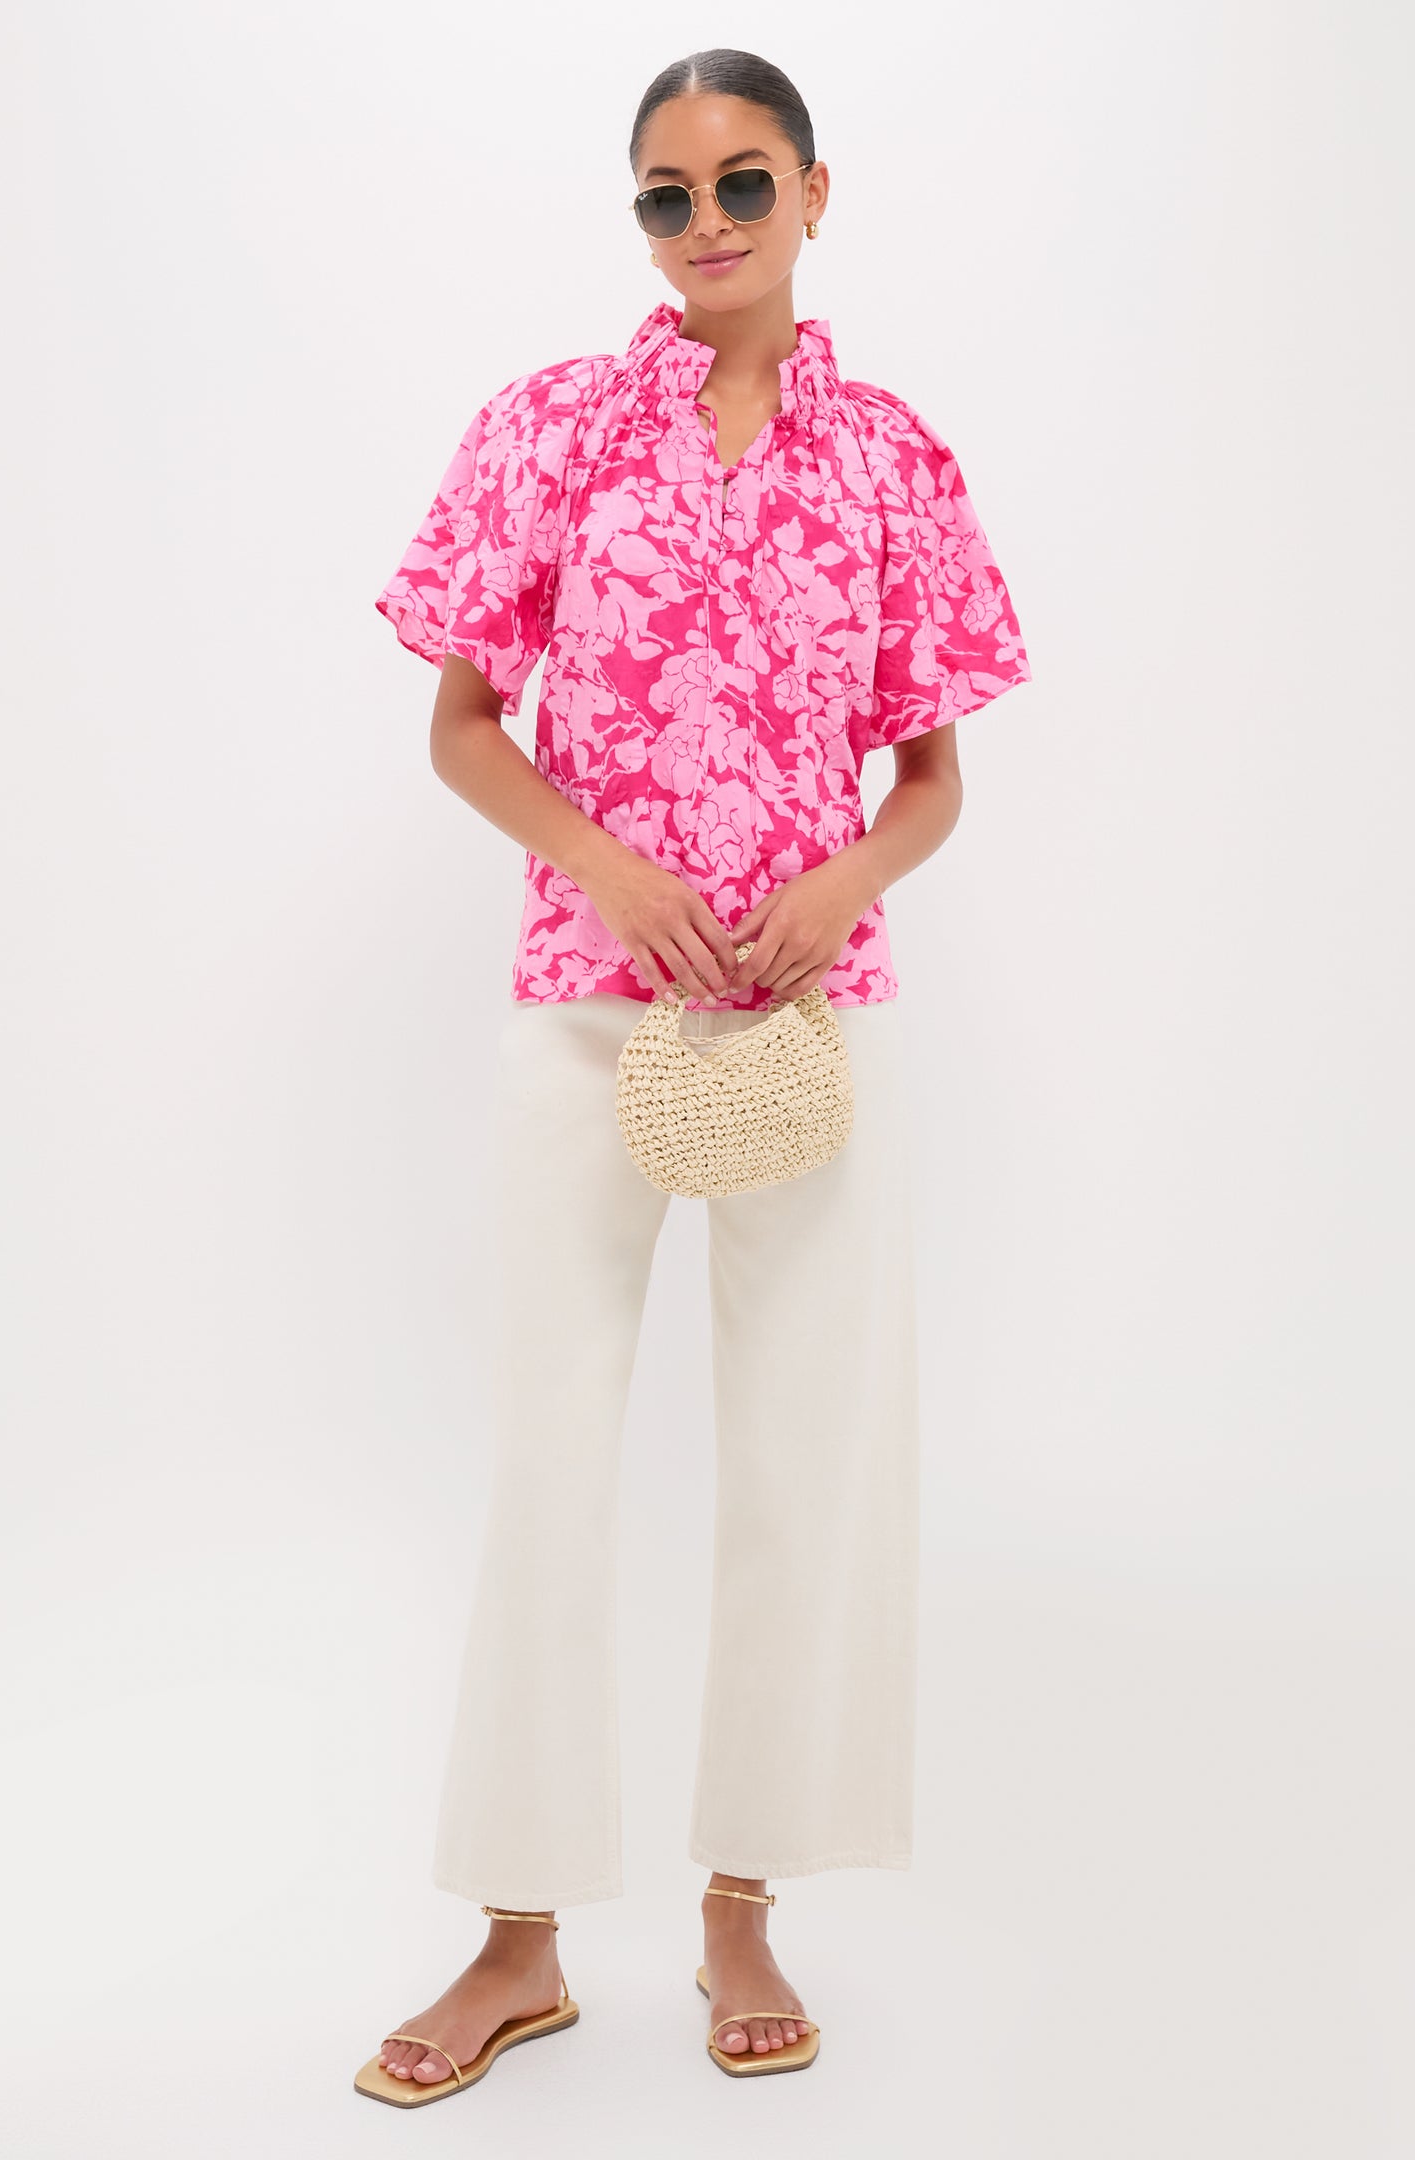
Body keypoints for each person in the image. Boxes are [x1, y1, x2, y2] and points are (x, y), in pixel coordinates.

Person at [358, 45, 1031, 2102]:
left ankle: (747, 1902)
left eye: (743, 182)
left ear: (818, 194)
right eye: (666, 193)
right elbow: (466, 728)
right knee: (550, 1458)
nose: (706, 222)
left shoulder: (897, 457)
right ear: (638, 218)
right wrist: (609, 864)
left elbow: (934, 776)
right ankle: (520, 1936)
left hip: (816, 1013)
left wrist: (844, 873)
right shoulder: (549, 432)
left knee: (808, 1469)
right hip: (590, 998)